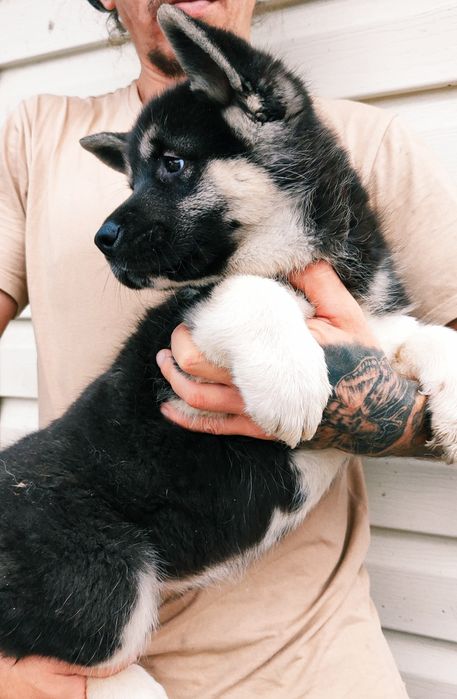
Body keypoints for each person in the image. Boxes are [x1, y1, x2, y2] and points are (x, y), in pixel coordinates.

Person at [0, 1, 456, 697]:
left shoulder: (363, 143)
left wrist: (382, 406)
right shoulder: (35, 134)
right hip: (77, 633)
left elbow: (392, 338)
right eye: (143, 173)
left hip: (315, 665)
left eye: (172, 167)